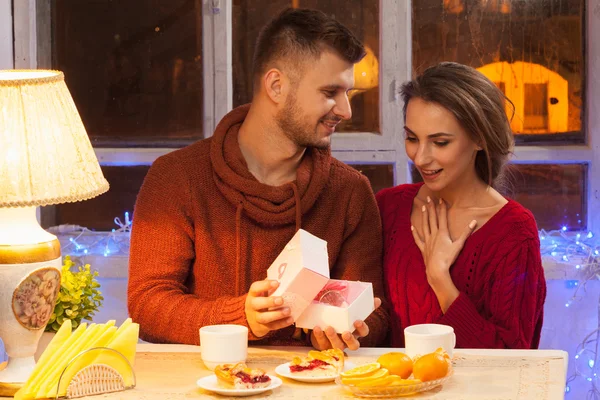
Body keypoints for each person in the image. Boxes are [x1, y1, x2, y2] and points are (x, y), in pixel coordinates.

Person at [128, 8, 389, 350]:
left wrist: (351, 329)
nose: (346, 110)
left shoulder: (351, 192)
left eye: (347, 94)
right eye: (330, 92)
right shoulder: (176, 178)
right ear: (276, 86)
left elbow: (376, 316)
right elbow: (147, 306)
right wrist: (242, 318)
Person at [377, 62, 546, 349]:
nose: (420, 158)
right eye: (412, 138)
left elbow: (512, 357)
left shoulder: (514, 231)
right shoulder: (388, 207)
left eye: (440, 142)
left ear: (479, 138)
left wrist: (440, 279)